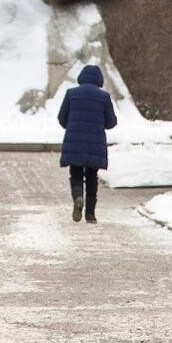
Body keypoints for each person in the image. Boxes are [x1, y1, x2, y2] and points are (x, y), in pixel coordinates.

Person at [57, 63, 117, 223]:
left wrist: (71, 126)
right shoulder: (104, 97)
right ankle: (90, 214)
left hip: (74, 141)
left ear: (81, 78)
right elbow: (111, 122)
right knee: (92, 176)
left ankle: (78, 197)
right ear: (99, 80)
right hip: (94, 143)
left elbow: (62, 118)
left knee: (75, 173)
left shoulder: (71, 94)